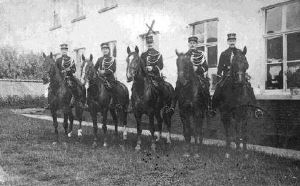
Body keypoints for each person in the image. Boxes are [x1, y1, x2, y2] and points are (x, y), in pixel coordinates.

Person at [55, 43, 84, 108]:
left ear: (67, 50)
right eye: (63, 50)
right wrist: (61, 72)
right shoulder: (58, 60)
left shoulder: (71, 59)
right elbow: (55, 70)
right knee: (52, 87)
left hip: (70, 77)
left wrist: (69, 70)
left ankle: (79, 101)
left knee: (80, 85)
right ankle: (52, 102)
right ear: (61, 51)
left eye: (65, 49)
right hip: (61, 78)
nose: (64, 51)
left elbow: (74, 69)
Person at [140, 34, 168, 100]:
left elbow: (160, 66)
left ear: (153, 43)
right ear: (146, 44)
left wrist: (152, 68)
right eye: (148, 43)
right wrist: (144, 68)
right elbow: (140, 65)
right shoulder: (143, 55)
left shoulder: (158, 54)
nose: (150, 44)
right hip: (145, 76)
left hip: (155, 76)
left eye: (151, 42)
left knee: (161, 89)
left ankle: (163, 105)